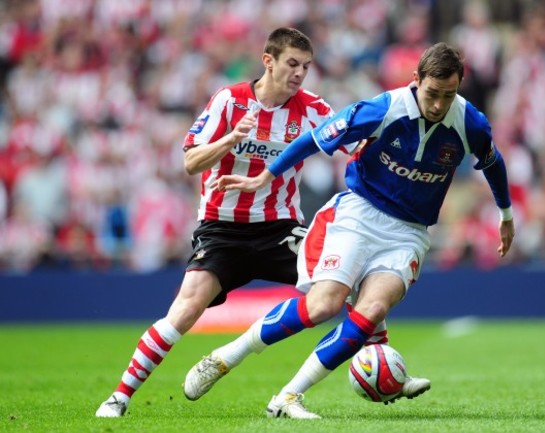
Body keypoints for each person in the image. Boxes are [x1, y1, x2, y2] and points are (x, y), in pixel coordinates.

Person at [95, 27, 427, 418]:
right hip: (222, 229)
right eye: (292, 64)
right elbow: (189, 162)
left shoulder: (312, 108)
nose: (300, 73)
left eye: (305, 66)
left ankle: (384, 367)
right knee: (185, 310)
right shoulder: (229, 101)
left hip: (280, 228)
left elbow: (358, 145)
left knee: (355, 278)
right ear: (267, 61)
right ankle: (119, 396)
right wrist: (229, 140)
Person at [182, 42, 515, 420]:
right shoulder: (383, 109)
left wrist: (505, 214)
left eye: (448, 95)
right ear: (415, 80)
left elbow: (492, 162)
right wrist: (266, 175)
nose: (438, 105)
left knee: (371, 311)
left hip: (409, 232)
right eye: (432, 94)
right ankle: (227, 356)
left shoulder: (469, 122)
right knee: (324, 306)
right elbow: (315, 137)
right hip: (359, 215)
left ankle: (288, 398)